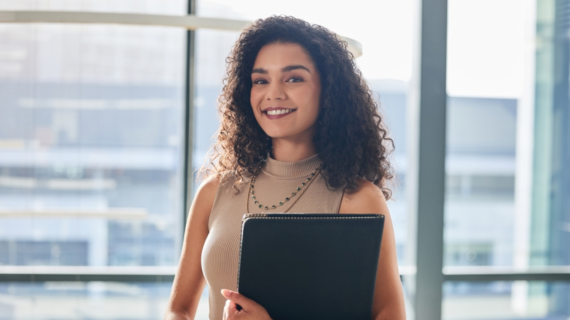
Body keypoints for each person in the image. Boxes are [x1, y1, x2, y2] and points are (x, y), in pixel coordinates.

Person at [164, 15, 406, 320]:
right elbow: (178, 308)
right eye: (260, 80)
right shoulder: (214, 192)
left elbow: (388, 315)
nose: (273, 93)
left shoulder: (358, 199)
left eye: (293, 78)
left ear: (328, 90)